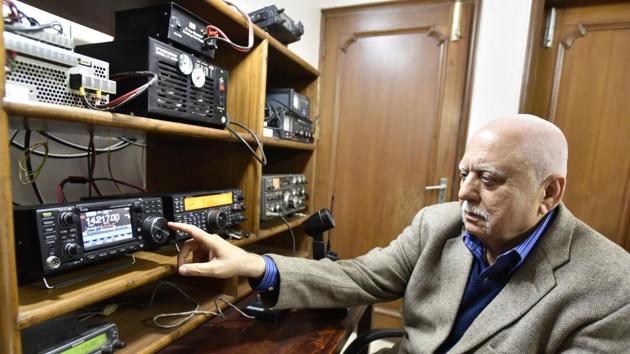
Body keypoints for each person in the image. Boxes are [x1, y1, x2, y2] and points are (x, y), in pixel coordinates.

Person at [169, 114, 630, 353]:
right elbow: (363, 278)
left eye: (489, 180)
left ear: (549, 192)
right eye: (464, 172)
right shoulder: (438, 223)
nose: (464, 193)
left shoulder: (613, 286)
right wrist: (253, 264)